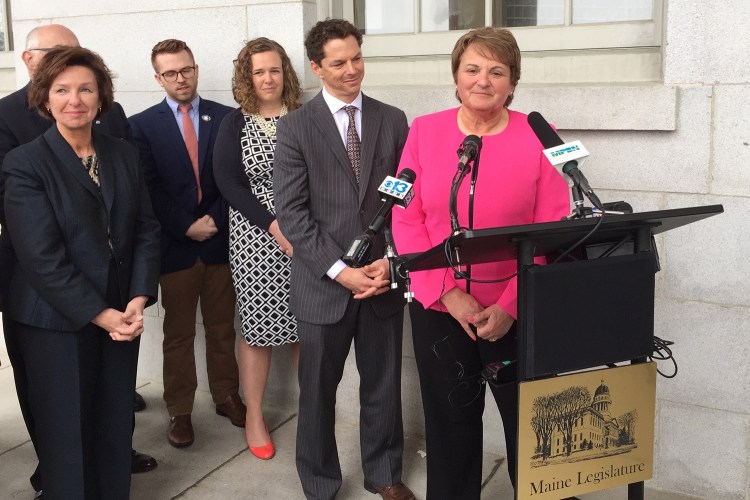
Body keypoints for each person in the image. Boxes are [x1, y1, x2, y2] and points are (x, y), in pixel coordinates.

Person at [391, 28, 571, 499]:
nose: (483, 80)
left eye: (497, 71)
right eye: (472, 68)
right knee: (450, 429)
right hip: (441, 310)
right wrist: (447, 291)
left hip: (514, 310)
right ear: (456, 77)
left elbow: (552, 228)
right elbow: (406, 218)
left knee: (532, 428)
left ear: (513, 82)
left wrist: (511, 303)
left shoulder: (536, 138)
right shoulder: (424, 131)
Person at [0, 24, 157, 498]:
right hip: (55, 320)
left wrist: (137, 297)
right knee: (67, 435)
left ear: (101, 96)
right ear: (45, 99)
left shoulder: (122, 154)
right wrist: (102, 313)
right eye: (62, 90)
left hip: (120, 313)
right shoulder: (25, 163)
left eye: (86, 88)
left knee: (113, 427)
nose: (75, 99)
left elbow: (147, 229)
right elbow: (41, 258)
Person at [274, 19, 415, 500]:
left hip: (381, 281)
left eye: (357, 57)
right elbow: (291, 213)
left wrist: (390, 261)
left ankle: (385, 474)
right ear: (316, 68)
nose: (352, 69)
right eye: (339, 62)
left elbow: (408, 200)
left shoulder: (393, 119)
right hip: (323, 285)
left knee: (383, 386)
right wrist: (340, 271)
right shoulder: (295, 128)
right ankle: (320, 482)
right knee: (316, 392)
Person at [130, 39, 244, 448]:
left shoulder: (228, 117)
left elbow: (234, 177)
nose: (181, 79)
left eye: (187, 70)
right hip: (176, 248)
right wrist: (185, 226)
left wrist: (213, 219)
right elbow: (148, 188)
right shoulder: (141, 125)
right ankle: (179, 410)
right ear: (158, 77)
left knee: (221, 329)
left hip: (220, 243)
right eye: (171, 73)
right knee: (177, 334)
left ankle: (227, 395)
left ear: (196, 69)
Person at [213, 37, 301, 460]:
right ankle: (254, 417)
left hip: (306, 233)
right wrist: (272, 223)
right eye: (258, 71)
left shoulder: (306, 116)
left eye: (274, 69)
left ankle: (315, 413)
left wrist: (300, 225)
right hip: (255, 237)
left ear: (286, 72)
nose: (268, 78)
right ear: (247, 77)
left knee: (308, 326)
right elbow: (229, 183)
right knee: (258, 329)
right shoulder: (235, 123)